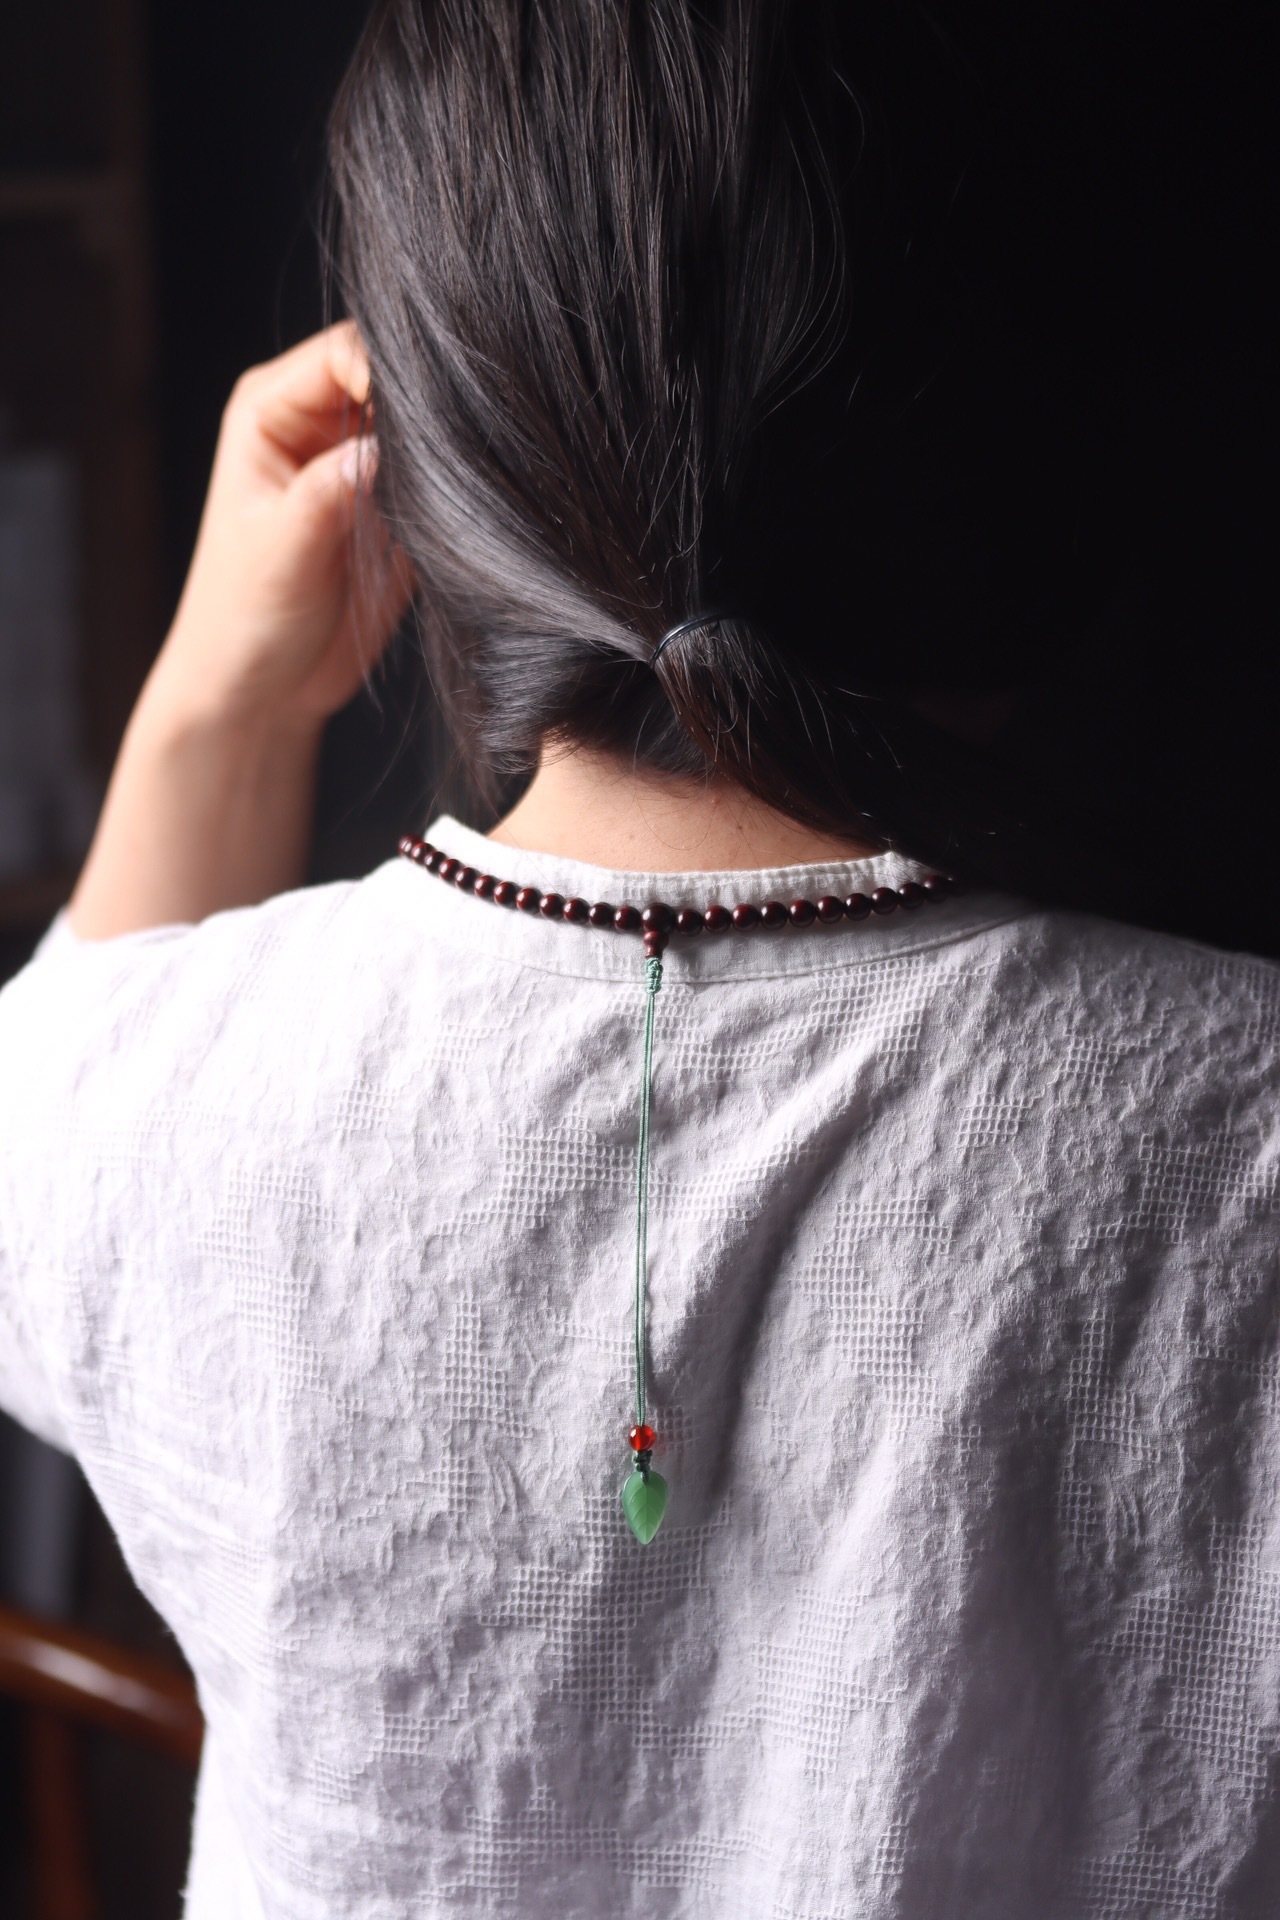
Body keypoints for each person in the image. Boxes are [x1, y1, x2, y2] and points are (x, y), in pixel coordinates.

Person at [1, 3, 1276, 1915]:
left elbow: (52, 1113)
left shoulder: (148, 1107)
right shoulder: (1241, 1140)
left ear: (425, 433)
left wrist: (216, 702)